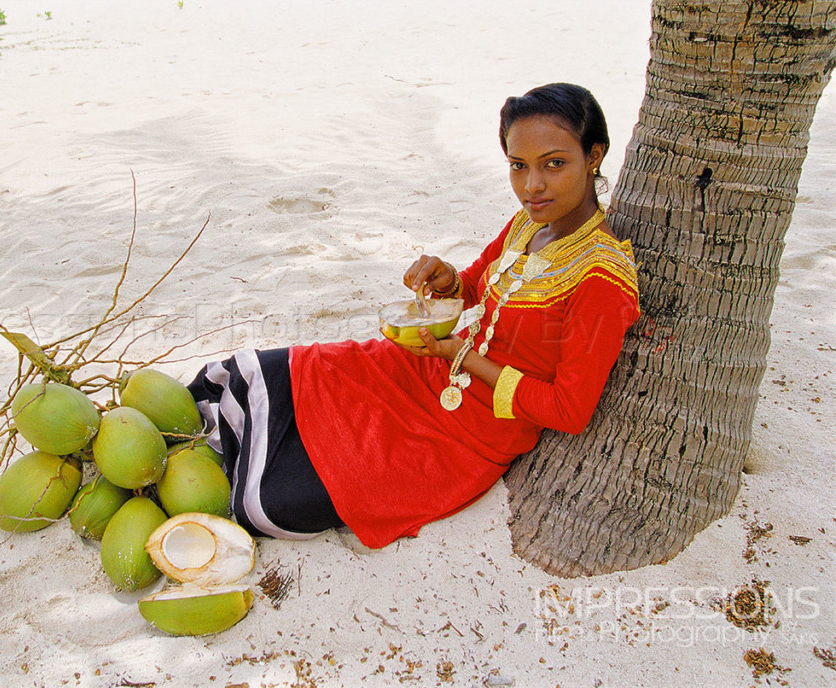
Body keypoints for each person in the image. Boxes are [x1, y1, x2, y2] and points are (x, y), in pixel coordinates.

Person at [187, 83, 640, 548]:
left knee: (275, 502)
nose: (532, 185)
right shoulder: (528, 224)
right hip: (424, 372)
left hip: (467, 436)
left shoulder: (602, 279)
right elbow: (470, 289)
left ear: (594, 156)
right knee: (253, 374)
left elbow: (569, 410)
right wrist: (445, 280)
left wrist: (464, 355)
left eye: (554, 163)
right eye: (518, 166)